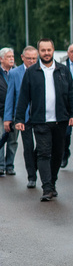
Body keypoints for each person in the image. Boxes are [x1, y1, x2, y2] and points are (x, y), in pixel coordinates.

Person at [14, 39, 73, 201]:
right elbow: (23, 97)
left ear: (53, 50)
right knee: (44, 153)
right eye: (43, 50)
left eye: (48, 50)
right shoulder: (31, 72)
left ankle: (52, 182)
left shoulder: (63, 70)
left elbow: (72, 94)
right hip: (40, 120)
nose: (46, 53)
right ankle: (47, 187)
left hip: (60, 120)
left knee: (57, 153)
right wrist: (20, 118)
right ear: (39, 52)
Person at [4, 46, 38, 184]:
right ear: (22, 58)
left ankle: (34, 165)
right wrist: (8, 118)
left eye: (34, 58)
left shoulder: (42, 71)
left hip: (41, 116)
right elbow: (10, 97)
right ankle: (31, 177)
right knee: (28, 146)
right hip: (23, 117)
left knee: (43, 147)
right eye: (28, 58)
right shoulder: (15, 73)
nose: (31, 61)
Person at [0, 48, 11, 176]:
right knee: (1, 137)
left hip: (13, 111)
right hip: (0, 111)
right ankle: (1, 166)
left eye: (12, 56)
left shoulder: (15, 72)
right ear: (1, 59)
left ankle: (10, 165)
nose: (11, 59)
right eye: (8, 57)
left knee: (12, 140)